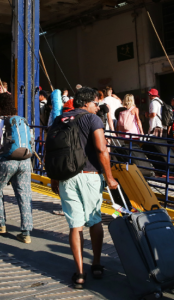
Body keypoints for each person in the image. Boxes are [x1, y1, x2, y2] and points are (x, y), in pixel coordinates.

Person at [50, 87, 118, 290]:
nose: (97, 107)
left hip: (66, 177)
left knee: (75, 225)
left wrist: (54, 177)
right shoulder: (92, 119)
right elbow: (101, 149)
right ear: (87, 103)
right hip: (89, 175)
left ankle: (79, 273)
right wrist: (110, 177)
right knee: (94, 220)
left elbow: (52, 149)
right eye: (96, 103)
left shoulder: (60, 119)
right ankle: (96, 264)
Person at [0, 92, 33, 243]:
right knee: (24, 195)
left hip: (7, 161)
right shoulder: (21, 120)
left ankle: (0, 224)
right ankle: (26, 232)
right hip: (24, 160)